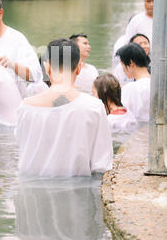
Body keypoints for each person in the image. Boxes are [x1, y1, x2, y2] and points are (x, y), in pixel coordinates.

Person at [15, 38, 113, 178]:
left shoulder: (25, 107)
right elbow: (101, 165)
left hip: (30, 193)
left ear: (47, 68)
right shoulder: (93, 107)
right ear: (79, 68)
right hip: (75, 193)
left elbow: (21, 145)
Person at [116, 43, 151, 123]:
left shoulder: (131, 88)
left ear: (131, 63)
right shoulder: (157, 84)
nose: (123, 69)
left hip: (137, 133)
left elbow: (123, 119)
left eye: (122, 64)